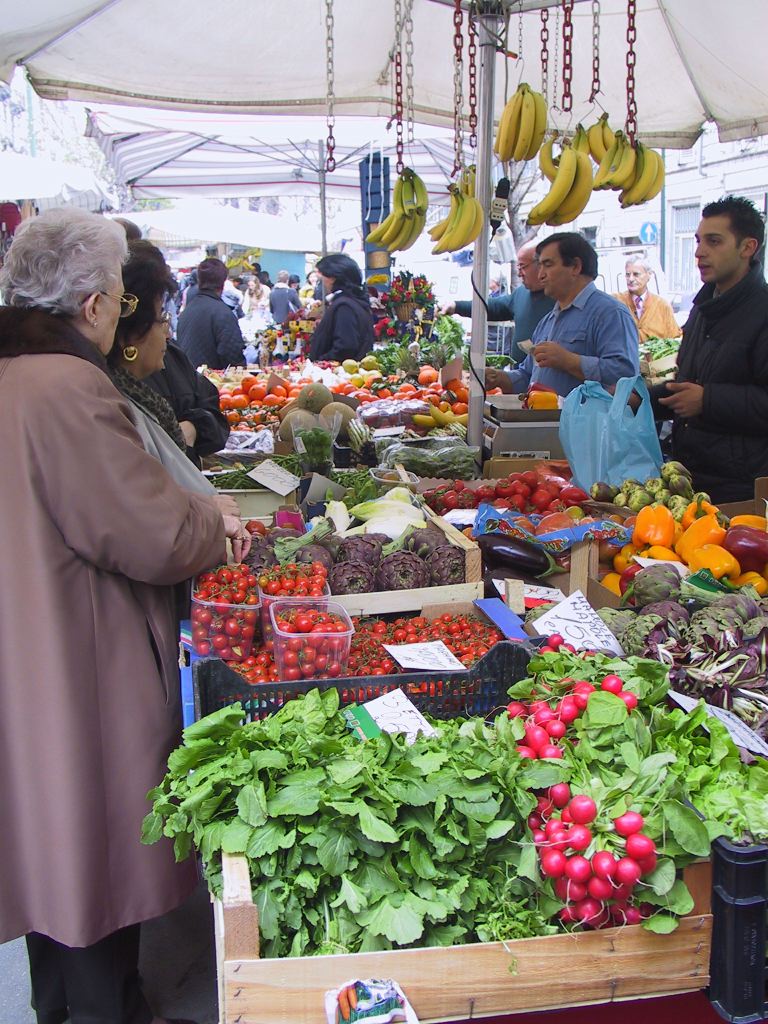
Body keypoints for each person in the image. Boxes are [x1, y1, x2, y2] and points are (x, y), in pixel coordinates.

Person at [0, 207, 248, 1024]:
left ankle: (70, 1006)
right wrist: (213, 522)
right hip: (72, 657)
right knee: (86, 854)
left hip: (27, 639)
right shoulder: (66, 386)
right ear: (97, 306)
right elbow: (146, 531)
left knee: (45, 848)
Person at [650, 195, 768, 502]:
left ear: (747, 247)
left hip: (743, 489)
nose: (700, 252)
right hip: (692, 479)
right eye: (699, 241)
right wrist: (640, 398)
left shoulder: (763, 311)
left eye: (714, 241)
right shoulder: (702, 310)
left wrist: (708, 401)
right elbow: (689, 386)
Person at [111, 241, 232, 475]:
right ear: (134, 331)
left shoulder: (173, 359)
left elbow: (214, 415)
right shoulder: (104, 391)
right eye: (161, 317)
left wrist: (194, 427)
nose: (167, 331)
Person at [486, 232, 639, 397]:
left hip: (585, 422)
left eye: (548, 265)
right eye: (539, 265)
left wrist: (569, 361)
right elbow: (527, 376)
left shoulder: (610, 314)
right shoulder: (548, 320)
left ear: (575, 267)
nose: (540, 274)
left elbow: (625, 376)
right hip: (544, 421)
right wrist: (499, 377)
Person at [442, 242, 556, 363]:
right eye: (518, 267)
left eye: (523, 266)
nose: (519, 273)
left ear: (540, 264)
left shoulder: (559, 296)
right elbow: (495, 307)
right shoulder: (521, 293)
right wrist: (456, 306)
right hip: (522, 375)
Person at [177, 257, 245, 368]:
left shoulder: (187, 311)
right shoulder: (223, 313)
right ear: (223, 282)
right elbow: (233, 357)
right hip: (211, 381)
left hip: (188, 379)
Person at [309, 253, 376, 363]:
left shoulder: (344, 306)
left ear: (332, 277)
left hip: (339, 374)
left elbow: (345, 347)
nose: (322, 280)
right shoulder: (355, 302)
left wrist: (321, 363)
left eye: (323, 275)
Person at [614, 257, 681, 343]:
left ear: (648, 275)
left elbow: (675, 339)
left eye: (636, 274)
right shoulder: (616, 302)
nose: (630, 279)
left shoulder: (662, 305)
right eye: (627, 274)